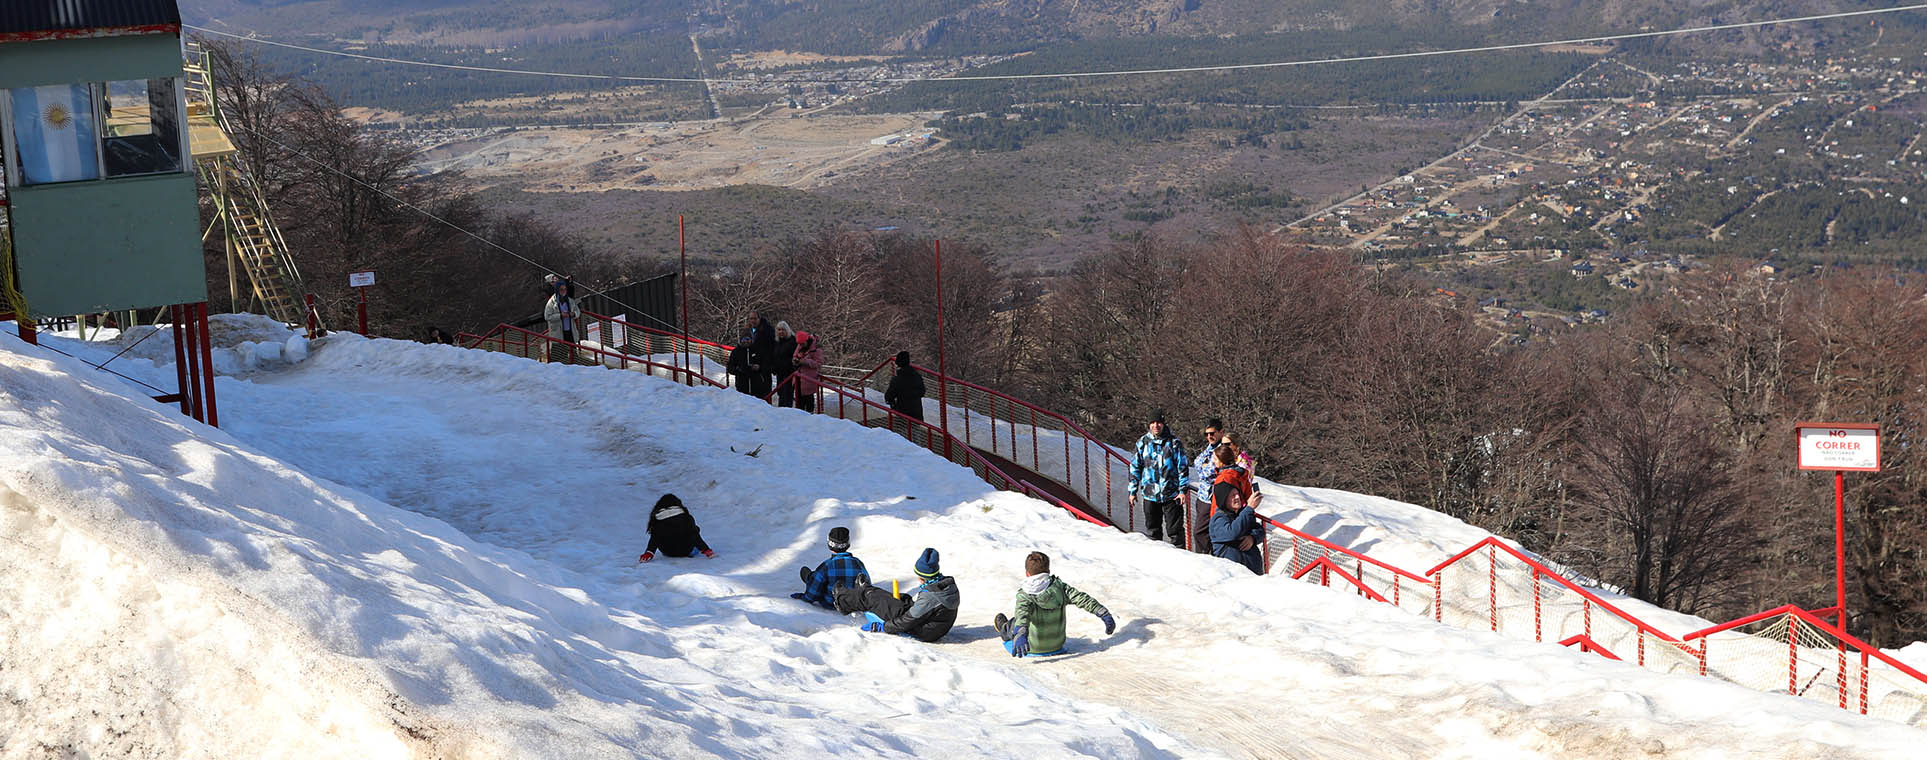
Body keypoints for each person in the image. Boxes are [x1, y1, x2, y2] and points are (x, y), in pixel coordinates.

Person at [992, 552, 1113, 657]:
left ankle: (1004, 628)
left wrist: (1020, 633)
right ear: (1048, 571)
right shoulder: (1060, 588)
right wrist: (1103, 613)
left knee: (1015, 621)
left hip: (1031, 647)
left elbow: (1022, 615)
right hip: (1057, 644)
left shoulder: (1025, 594)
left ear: (1027, 573)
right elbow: (1083, 599)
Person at [834, 547, 960, 642]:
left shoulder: (931, 596)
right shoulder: (945, 584)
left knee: (876, 601)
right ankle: (865, 590)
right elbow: (926, 608)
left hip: (923, 631)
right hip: (932, 627)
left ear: (923, 577)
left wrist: (883, 627)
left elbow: (907, 621)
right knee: (903, 598)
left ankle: (842, 600)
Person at [1127, 411, 1188, 548]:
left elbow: (1182, 468)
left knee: (1175, 532)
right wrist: (1132, 491)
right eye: (1153, 423)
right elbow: (1135, 467)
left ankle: (1181, 560)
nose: (1156, 425)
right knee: (1153, 531)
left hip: (1171, 495)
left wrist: (1182, 490)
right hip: (1150, 495)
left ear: (1163, 423)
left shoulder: (1174, 443)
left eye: (1159, 422)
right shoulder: (1143, 443)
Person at [792, 526, 868, 610]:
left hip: (831, 604)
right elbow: (866, 586)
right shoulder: (858, 563)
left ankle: (810, 577)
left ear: (830, 544)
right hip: (853, 605)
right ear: (848, 544)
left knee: (809, 573)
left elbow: (812, 596)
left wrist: (803, 597)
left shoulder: (827, 566)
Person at [1185, 418, 1227, 554]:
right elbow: (1198, 462)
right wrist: (1205, 467)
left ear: (1221, 432)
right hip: (1203, 497)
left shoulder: (1224, 449)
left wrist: (1205, 467)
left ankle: (1207, 558)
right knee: (1201, 532)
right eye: (1207, 434)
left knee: (1201, 532)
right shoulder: (1211, 448)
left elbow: (1206, 474)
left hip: (1215, 499)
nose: (1209, 436)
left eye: (1212, 433)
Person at [1207, 481, 1265, 575]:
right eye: (1232, 495)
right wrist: (1249, 508)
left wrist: (1252, 538)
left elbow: (1260, 530)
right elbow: (1232, 532)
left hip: (1252, 572)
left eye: (1237, 494)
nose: (1237, 497)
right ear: (1224, 499)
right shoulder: (1218, 519)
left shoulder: (1242, 514)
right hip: (1232, 576)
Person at [638, 493, 715, 562]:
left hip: (667, 552)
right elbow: (694, 536)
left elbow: (654, 539)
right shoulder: (687, 518)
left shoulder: (657, 520)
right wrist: (706, 550)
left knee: (661, 534)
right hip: (687, 551)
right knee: (696, 529)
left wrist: (649, 553)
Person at [543, 275, 583, 364]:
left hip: (570, 330)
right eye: (561, 290)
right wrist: (560, 316)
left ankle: (575, 366)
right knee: (557, 355)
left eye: (565, 289)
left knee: (573, 353)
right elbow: (547, 316)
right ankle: (555, 369)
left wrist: (574, 314)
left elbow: (577, 311)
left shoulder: (569, 301)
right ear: (557, 290)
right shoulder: (551, 303)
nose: (564, 291)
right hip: (558, 332)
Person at [883, 350, 925, 422]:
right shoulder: (917, 376)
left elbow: (889, 396)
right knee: (916, 431)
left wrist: (893, 404)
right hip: (917, 414)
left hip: (902, 414)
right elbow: (922, 391)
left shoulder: (897, 379)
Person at [791, 330, 825, 414]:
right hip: (798, 378)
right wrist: (795, 360)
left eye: (802, 344)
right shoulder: (800, 345)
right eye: (800, 344)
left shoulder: (816, 349)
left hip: (809, 379)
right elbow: (795, 355)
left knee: (809, 400)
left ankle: (809, 417)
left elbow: (819, 363)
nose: (801, 345)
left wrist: (805, 362)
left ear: (807, 340)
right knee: (799, 402)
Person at [746, 312, 776, 400]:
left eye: (755, 318)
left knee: (764, 391)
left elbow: (770, 349)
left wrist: (763, 366)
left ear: (759, 319)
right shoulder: (749, 330)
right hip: (752, 364)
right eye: (751, 319)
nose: (753, 321)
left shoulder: (767, 330)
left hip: (764, 366)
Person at [772, 321, 799, 408]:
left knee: (787, 394)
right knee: (780, 393)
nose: (781, 332)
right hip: (779, 372)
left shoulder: (792, 341)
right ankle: (781, 413)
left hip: (789, 373)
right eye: (779, 330)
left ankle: (787, 413)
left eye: (783, 330)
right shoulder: (777, 342)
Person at [726, 329, 754, 395]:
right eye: (744, 339)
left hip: (755, 384)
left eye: (748, 339)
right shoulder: (736, 351)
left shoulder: (755, 350)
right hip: (741, 383)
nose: (746, 341)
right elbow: (730, 367)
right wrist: (738, 370)